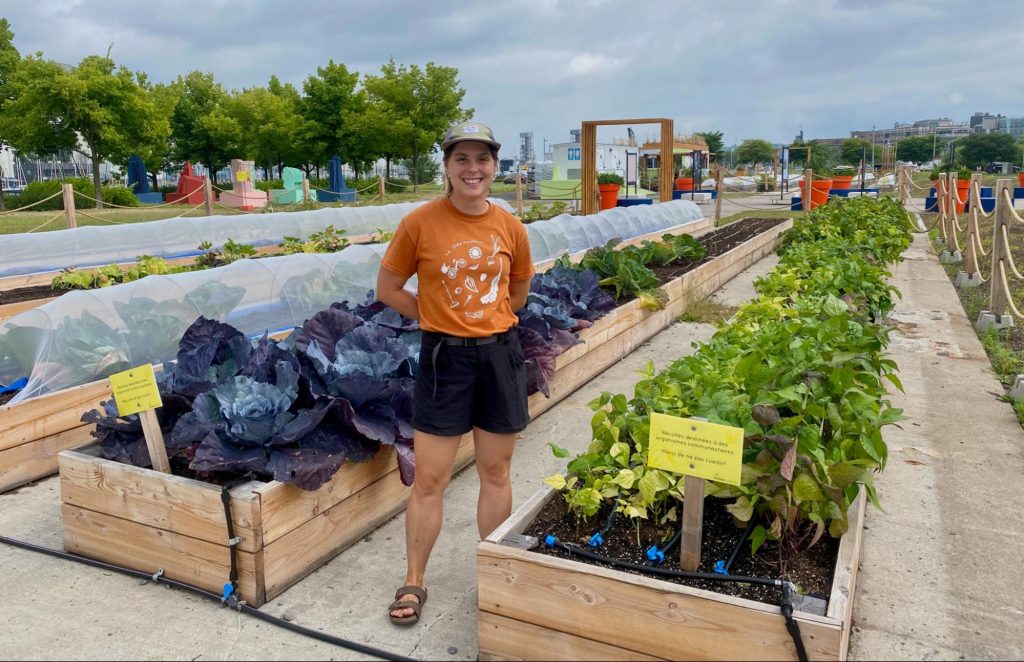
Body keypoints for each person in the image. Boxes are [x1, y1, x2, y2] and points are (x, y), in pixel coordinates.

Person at [376, 121, 534, 625]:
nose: (473, 169)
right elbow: (389, 286)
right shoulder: (421, 222)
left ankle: (497, 572)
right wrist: (431, 316)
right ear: (446, 166)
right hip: (444, 361)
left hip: (497, 358)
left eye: (482, 159)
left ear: (494, 167)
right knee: (430, 478)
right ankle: (414, 579)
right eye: (462, 159)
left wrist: (484, 324)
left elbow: (517, 293)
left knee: (496, 471)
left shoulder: (510, 226)